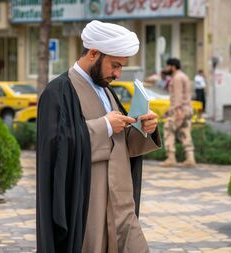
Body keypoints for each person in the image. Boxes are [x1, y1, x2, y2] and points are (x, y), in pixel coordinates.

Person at [36, 20, 161, 253]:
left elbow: (120, 145)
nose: (117, 73)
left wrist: (145, 128)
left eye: (121, 67)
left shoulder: (106, 89)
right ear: (94, 53)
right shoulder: (58, 91)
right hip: (88, 206)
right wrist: (104, 125)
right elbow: (56, 148)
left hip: (121, 203)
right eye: (115, 65)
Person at [162, 58, 195, 167]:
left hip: (179, 110)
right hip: (187, 109)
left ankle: (171, 157)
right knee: (185, 132)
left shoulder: (176, 78)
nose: (167, 68)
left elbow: (178, 95)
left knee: (168, 128)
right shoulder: (184, 76)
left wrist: (177, 111)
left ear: (173, 66)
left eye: (168, 66)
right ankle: (190, 158)